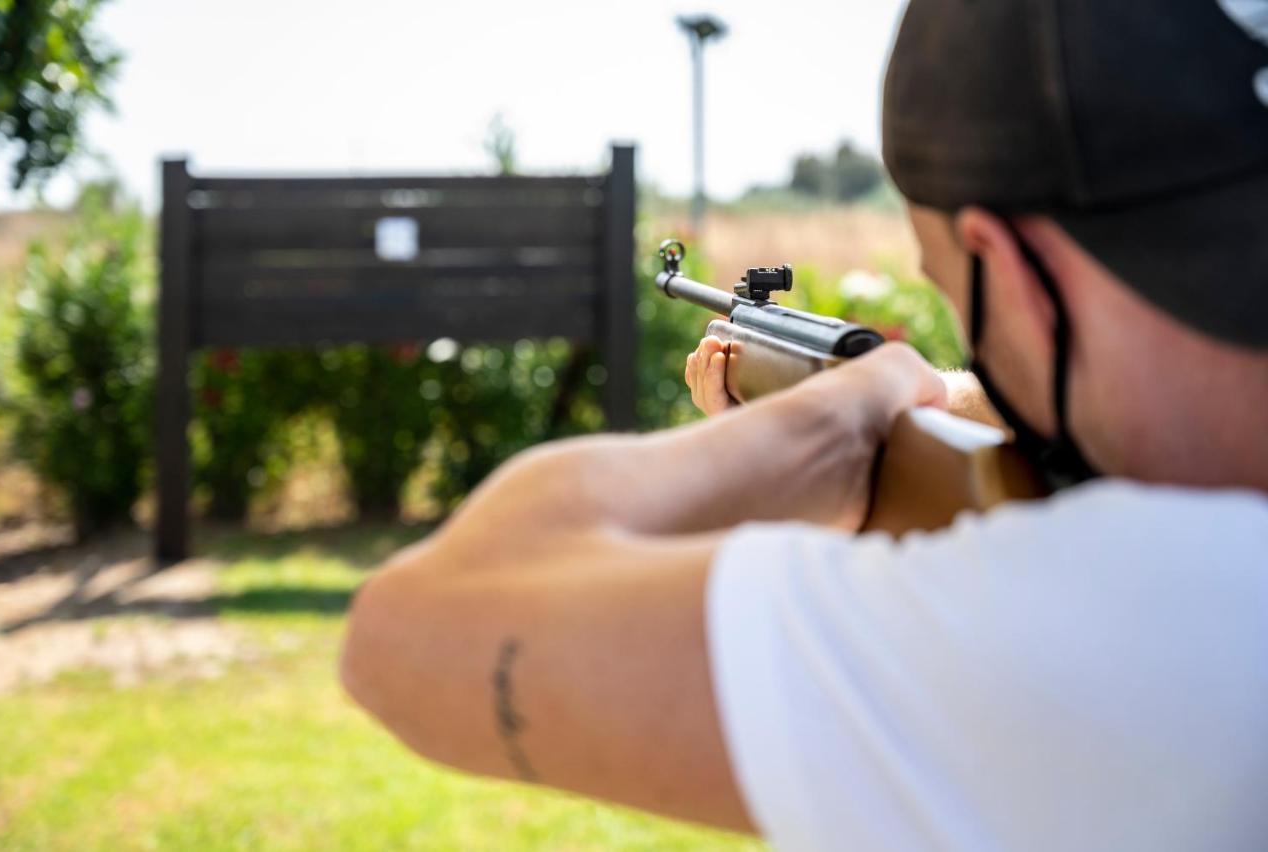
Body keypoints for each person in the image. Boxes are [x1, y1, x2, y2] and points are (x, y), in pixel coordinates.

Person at [339, 1, 1268, 849]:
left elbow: (409, 638)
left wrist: (821, 421)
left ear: (1007, 269)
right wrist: (937, 401)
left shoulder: (1119, 623)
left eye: (955, 296)